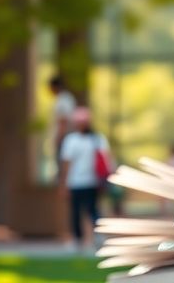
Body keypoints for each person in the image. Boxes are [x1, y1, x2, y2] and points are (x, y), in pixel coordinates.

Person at [59, 107, 110, 252]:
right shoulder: (96, 139)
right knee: (86, 211)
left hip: (87, 182)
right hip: (80, 182)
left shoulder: (74, 140)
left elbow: (66, 164)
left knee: (88, 210)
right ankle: (82, 238)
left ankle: (85, 238)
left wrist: (63, 183)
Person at [48, 75, 77, 162]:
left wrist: (58, 138)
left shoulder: (62, 100)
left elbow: (63, 121)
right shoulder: (68, 98)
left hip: (64, 137)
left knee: (62, 162)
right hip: (67, 136)